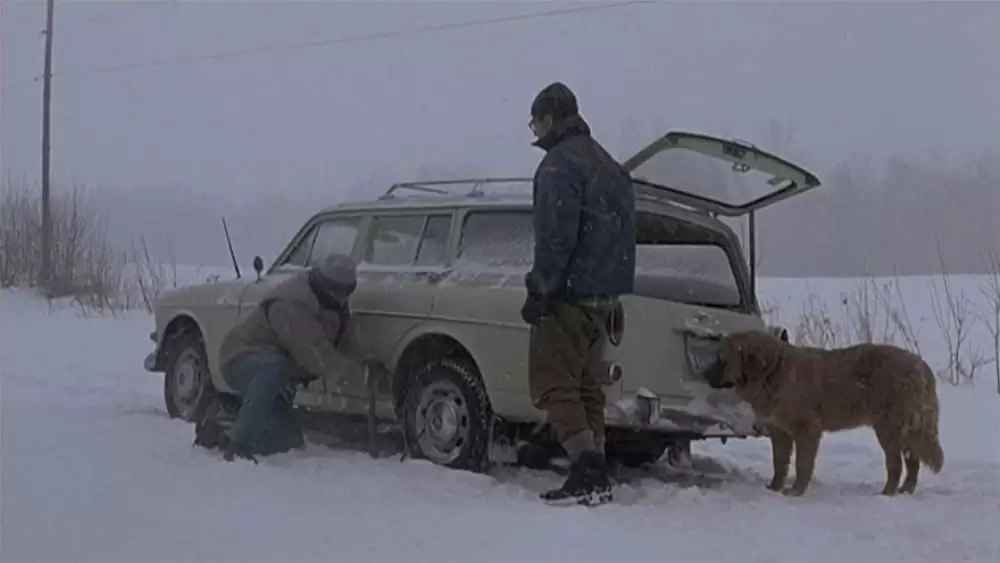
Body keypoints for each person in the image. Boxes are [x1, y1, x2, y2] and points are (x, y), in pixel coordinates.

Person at [522, 82, 636, 506]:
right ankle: (597, 465)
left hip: (568, 297)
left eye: (534, 121)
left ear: (549, 119)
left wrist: (541, 288)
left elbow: (555, 238)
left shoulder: (557, 167)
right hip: (604, 298)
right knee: (588, 387)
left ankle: (586, 470)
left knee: (554, 385)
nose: (533, 130)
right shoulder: (611, 165)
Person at [195, 253, 373, 463]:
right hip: (240, 359)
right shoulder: (291, 305)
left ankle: (220, 428)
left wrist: (370, 361)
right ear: (325, 283)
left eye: (348, 290)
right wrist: (360, 377)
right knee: (274, 366)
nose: (343, 296)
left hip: (274, 375)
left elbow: (348, 335)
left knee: (287, 441)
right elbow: (315, 355)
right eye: (338, 289)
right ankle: (238, 443)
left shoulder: (331, 299)